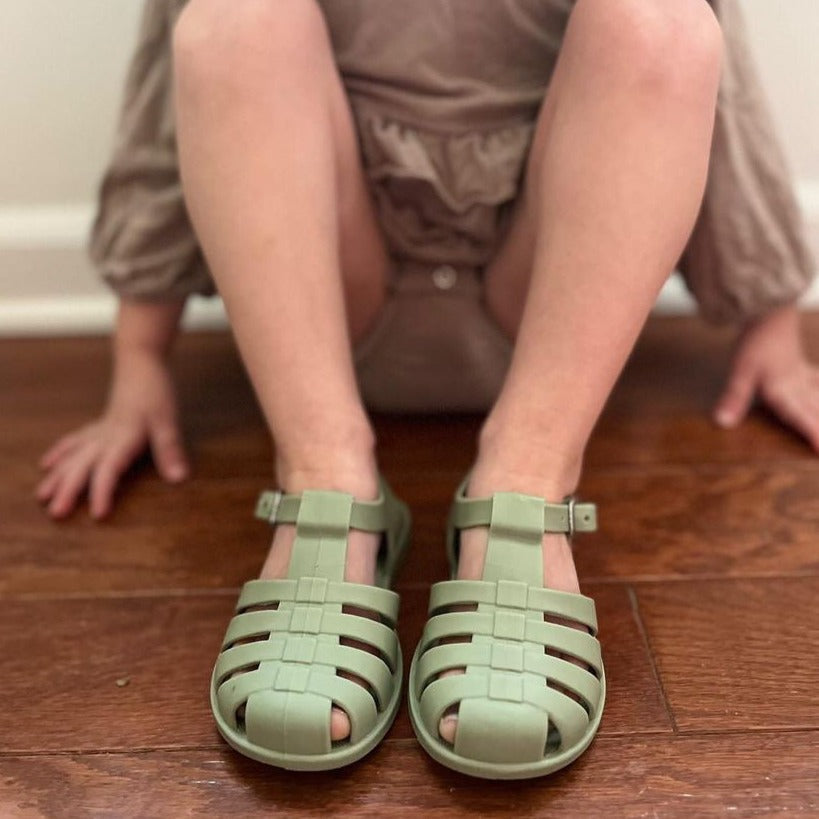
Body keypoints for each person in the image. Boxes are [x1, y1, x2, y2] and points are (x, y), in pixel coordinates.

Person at [35, 0, 816, 779]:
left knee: (663, 24)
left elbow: (721, 97)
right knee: (231, 21)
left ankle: (526, 482)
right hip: (328, 312)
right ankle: (322, 478)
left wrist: (770, 321)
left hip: (543, 317)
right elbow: (170, 98)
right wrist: (140, 354)